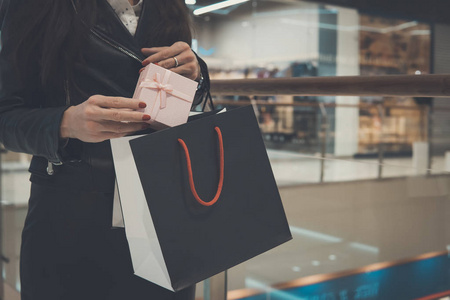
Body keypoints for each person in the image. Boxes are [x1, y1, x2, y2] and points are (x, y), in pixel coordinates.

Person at [0, 0, 210, 299]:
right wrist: (65, 122)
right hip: (70, 218)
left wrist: (194, 75)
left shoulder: (169, 6)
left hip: (162, 210)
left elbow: (174, 110)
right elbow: (7, 116)